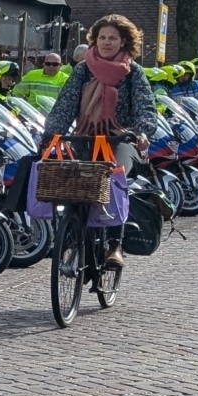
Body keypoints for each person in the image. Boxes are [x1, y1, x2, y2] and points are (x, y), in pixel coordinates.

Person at [36, 14, 159, 271]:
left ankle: (115, 244)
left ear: (123, 41)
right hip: (85, 135)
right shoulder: (83, 70)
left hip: (119, 137)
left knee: (115, 176)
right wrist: (52, 133)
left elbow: (146, 107)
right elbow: (65, 105)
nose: (106, 42)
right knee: (71, 177)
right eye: (102, 37)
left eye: (112, 38)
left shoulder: (133, 72)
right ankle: (72, 236)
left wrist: (142, 132)